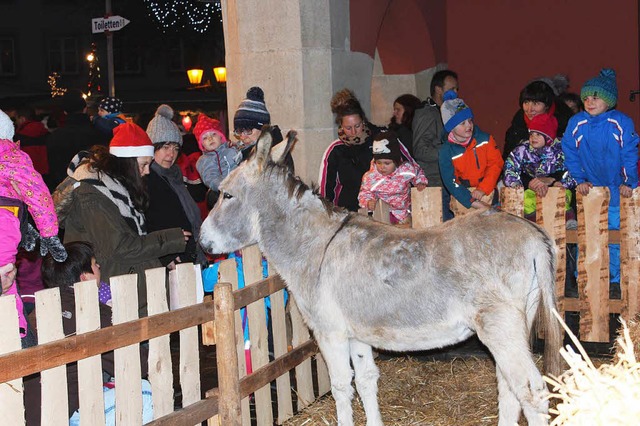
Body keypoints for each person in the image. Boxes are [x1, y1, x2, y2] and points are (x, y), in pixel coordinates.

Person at [53, 122, 188, 316]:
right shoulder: (93, 194)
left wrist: (161, 255)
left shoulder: (117, 189)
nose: (147, 171)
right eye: (143, 164)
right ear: (127, 163)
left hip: (126, 290)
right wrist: (169, 240)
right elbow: (119, 247)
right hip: (114, 295)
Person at [23, 241, 151, 425]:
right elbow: (137, 363)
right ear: (84, 277)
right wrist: (120, 320)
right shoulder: (90, 312)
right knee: (143, 391)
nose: (99, 266)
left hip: (35, 415)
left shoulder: (36, 313)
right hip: (66, 414)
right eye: (94, 263)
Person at [562, 68, 639, 298]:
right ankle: (583, 280)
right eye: (586, 97)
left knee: (615, 237)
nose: (589, 101)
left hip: (616, 189)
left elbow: (629, 152)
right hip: (590, 191)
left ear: (608, 100)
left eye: (595, 97)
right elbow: (570, 151)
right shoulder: (577, 123)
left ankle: (614, 282)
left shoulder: (620, 122)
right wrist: (580, 179)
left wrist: (629, 181)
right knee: (589, 237)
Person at [0, 108, 67, 339]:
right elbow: (37, 194)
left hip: (9, 222)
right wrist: (49, 232)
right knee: (6, 281)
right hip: (4, 224)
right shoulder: (12, 156)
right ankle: (17, 331)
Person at [319, 89, 412, 212]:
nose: (353, 132)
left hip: (385, 210)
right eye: (348, 128)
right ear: (340, 125)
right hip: (349, 213)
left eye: (357, 126)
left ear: (363, 120)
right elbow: (326, 191)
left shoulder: (383, 138)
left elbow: (409, 164)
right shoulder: (335, 150)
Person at [146, 104, 206, 267]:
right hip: (170, 260)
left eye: (175, 148)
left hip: (188, 255)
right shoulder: (146, 179)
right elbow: (146, 224)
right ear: (152, 147)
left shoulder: (175, 177)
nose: (171, 154)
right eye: (165, 147)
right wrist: (164, 255)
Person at [503, 112, 576, 220]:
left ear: (549, 137)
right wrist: (517, 183)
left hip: (556, 186)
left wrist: (562, 183)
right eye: (531, 133)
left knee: (562, 196)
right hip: (533, 187)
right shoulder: (523, 150)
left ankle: (567, 219)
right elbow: (510, 166)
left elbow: (575, 169)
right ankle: (532, 221)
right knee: (526, 198)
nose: (533, 137)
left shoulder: (561, 149)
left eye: (538, 134)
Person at [438, 90, 503, 212]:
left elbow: (496, 164)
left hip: (487, 191)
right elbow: (451, 181)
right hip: (463, 196)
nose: (468, 125)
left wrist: (483, 188)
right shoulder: (446, 151)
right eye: (462, 123)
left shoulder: (485, 139)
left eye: (470, 120)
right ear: (451, 128)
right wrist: (471, 200)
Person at [412, 70, 459, 220]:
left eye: (457, 89)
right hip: (434, 184)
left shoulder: (445, 112)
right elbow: (420, 150)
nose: (456, 92)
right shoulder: (427, 114)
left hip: (446, 182)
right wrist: (449, 151)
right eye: (452, 89)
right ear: (439, 89)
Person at [358, 130, 427, 225]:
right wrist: (368, 202)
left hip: (405, 212)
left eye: (387, 163)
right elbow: (365, 193)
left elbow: (418, 172)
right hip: (383, 214)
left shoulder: (405, 170)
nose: (382, 167)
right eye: (378, 163)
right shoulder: (371, 177)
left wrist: (420, 182)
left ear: (396, 161)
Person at [46, 89, 109, 191]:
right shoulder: (98, 133)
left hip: (65, 190)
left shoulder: (55, 137)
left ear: (65, 112)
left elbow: (53, 170)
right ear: (85, 109)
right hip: (95, 189)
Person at [503, 77, 574, 161]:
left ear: (547, 105)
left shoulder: (566, 125)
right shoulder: (517, 127)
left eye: (536, 103)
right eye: (526, 102)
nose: (529, 109)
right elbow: (508, 160)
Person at [231, 86, 294, 170]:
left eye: (248, 130)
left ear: (262, 129)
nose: (242, 136)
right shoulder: (242, 150)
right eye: (239, 131)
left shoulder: (274, 154)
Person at [194, 113, 240, 208]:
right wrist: (224, 187)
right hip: (224, 194)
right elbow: (210, 177)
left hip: (241, 187)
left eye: (213, 134)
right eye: (205, 138)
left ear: (221, 137)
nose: (210, 138)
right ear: (201, 144)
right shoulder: (204, 160)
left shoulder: (231, 149)